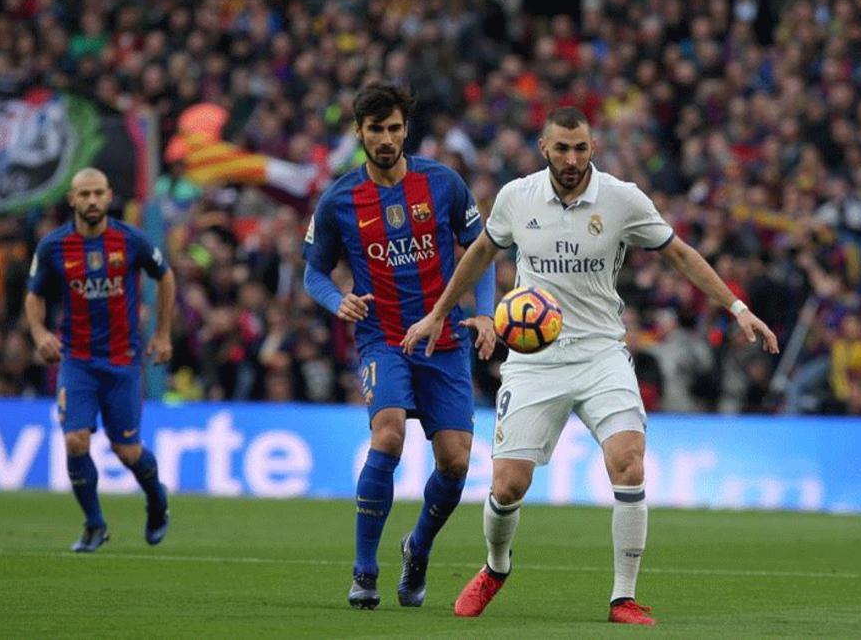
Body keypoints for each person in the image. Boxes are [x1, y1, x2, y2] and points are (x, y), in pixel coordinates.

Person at [402, 107, 779, 626]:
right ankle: (495, 567)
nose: (572, 158)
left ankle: (623, 598)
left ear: (592, 147)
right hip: (535, 362)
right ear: (544, 148)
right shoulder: (517, 197)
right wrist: (437, 314)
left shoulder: (622, 200)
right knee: (508, 485)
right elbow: (482, 252)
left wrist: (737, 308)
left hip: (602, 352)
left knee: (628, 461)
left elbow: (681, 255)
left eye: (581, 148)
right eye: (562, 148)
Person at [303, 82, 498, 609]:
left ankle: (418, 548)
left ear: (405, 129)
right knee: (387, 436)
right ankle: (364, 570)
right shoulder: (340, 198)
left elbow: (483, 252)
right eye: (376, 130)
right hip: (382, 338)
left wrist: (482, 312)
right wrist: (336, 299)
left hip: (444, 336)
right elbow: (313, 272)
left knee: (456, 462)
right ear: (360, 132)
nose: (386, 139)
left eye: (394, 129)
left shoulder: (444, 183)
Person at [25, 167, 175, 552]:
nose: (92, 201)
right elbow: (34, 294)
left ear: (109, 196)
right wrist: (40, 334)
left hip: (123, 361)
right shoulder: (53, 246)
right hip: (77, 361)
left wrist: (161, 333)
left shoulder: (131, 240)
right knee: (75, 440)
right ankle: (94, 524)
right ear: (72, 199)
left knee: (127, 451)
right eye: (84, 194)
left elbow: (165, 276)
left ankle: (156, 499)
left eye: (98, 193)